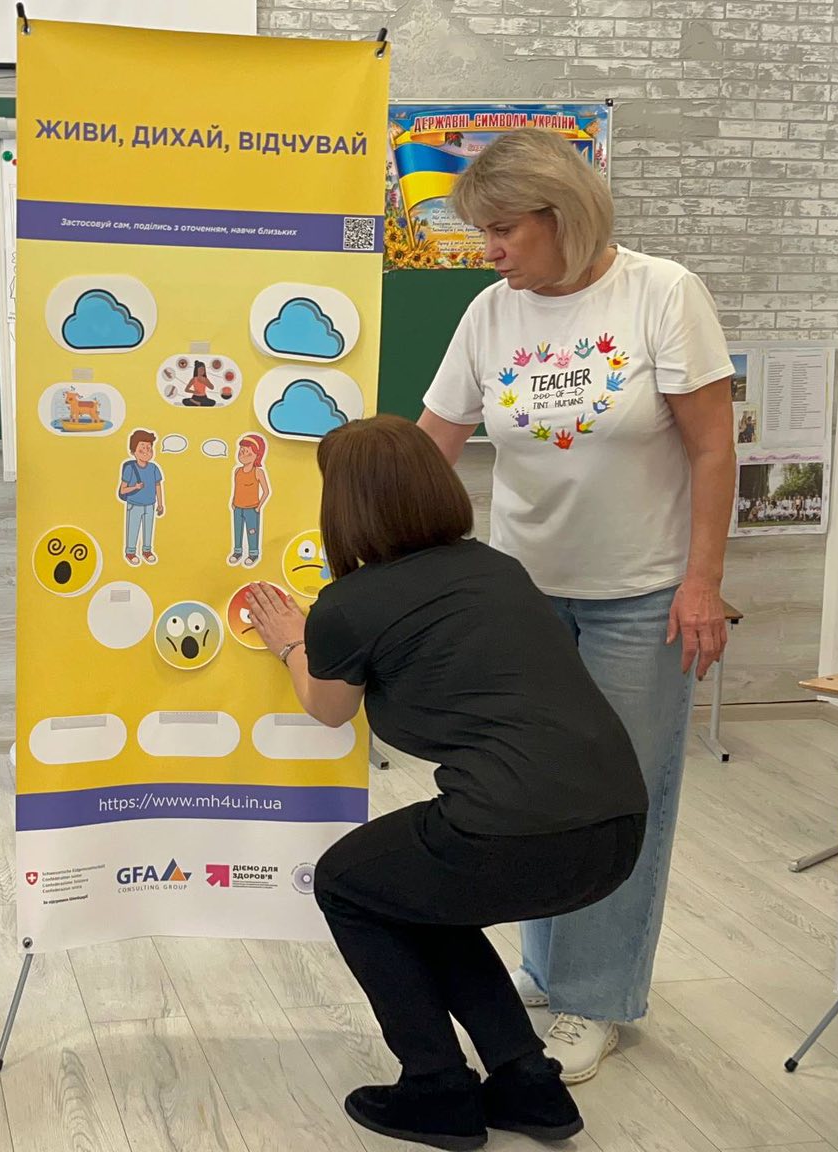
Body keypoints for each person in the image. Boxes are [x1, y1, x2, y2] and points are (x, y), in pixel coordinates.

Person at [415, 127, 737, 1082]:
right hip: (524, 598)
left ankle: (596, 996)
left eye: (504, 230)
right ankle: (548, 967)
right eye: (482, 233)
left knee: (620, 799)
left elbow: (714, 448)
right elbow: (431, 444)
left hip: (643, 597)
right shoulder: (490, 312)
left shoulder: (662, 294)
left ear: (564, 217)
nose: (490, 252)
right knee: (537, 791)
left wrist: (703, 581)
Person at [245, 414, 647, 1151]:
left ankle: (435, 1085)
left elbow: (329, 709)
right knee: (418, 893)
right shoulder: (497, 568)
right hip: (618, 828)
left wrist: (290, 642)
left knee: (346, 883)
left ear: (346, 508)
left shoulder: (348, 605)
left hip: (514, 828)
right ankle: (528, 1083)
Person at [118, 428, 164, 565]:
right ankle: (130, 552)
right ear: (133, 451)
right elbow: (123, 490)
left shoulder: (154, 468)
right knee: (133, 528)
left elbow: (158, 486)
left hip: (150, 504)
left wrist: (160, 504)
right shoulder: (130, 469)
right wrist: (135, 487)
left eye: (149, 448)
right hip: (134, 505)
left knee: (148, 529)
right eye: (142, 448)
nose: (146, 451)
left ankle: (147, 551)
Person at [228, 431, 270, 566]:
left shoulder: (258, 472)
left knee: (252, 532)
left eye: (248, 452)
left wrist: (259, 506)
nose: (243, 455)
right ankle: (237, 551)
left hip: (252, 508)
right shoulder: (237, 471)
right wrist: (233, 501)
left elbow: (266, 491)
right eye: (241, 451)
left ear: (257, 455)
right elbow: (236, 487)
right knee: (237, 530)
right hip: (237, 507)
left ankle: (253, 553)